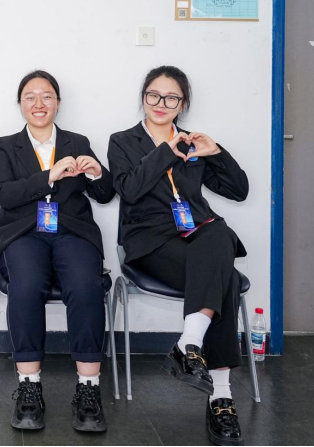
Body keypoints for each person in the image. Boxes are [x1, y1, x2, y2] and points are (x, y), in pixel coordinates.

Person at [107, 65, 249, 446]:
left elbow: (239, 191)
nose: (161, 104)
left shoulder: (193, 143)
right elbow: (129, 190)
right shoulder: (122, 142)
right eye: (154, 95)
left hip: (198, 236)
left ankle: (190, 343)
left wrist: (216, 152)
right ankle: (221, 396)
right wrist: (165, 153)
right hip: (150, 242)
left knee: (219, 233)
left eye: (171, 98)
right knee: (227, 276)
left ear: (182, 104)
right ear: (144, 97)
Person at [0, 70, 115, 432]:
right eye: (30, 97)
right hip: (23, 232)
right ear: (20, 104)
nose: (39, 103)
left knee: (86, 285)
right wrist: (48, 176)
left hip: (72, 231)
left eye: (47, 96)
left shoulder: (78, 141)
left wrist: (97, 173)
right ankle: (29, 387)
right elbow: (4, 194)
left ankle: (88, 388)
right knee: (27, 285)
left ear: (58, 103)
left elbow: (105, 194)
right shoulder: (5, 145)